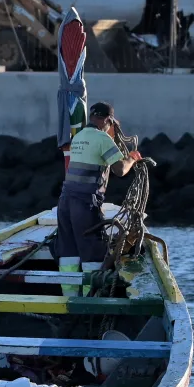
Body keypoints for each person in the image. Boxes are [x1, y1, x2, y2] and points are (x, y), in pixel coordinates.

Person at [56, 101, 139, 295]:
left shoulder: (79, 137)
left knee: (69, 252)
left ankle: (69, 297)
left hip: (65, 201)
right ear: (108, 120)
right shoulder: (103, 139)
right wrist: (133, 158)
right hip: (85, 204)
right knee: (92, 250)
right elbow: (120, 170)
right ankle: (88, 299)